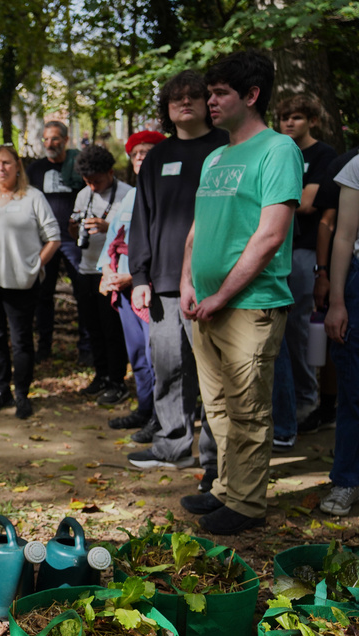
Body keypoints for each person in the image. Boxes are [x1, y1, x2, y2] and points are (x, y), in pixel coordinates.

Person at [178, 50, 303, 535]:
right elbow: (197, 229)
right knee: (219, 410)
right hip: (206, 306)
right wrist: (188, 282)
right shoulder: (216, 155)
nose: (209, 101)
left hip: (249, 305)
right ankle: (226, 490)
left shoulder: (278, 150)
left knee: (248, 409)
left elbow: (271, 235)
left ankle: (248, 506)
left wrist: (223, 295)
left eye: (220, 93)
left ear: (251, 96)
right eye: (209, 93)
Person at [128, 70, 227, 477]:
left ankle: (215, 456)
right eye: (176, 99)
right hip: (164, 283)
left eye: (193, 96)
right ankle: (172, 445)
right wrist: (139, 278)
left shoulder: (227, 148)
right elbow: (141, 219)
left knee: (215, 375)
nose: (185, 103)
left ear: (208, 103)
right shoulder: (157, 157)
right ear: (168, 110)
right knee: (168, 367)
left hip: (215, 282)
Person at [0, 144, 61, 419]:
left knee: (20, 340)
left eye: (7, 163)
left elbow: (53, 238)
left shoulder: (32, 197)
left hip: (20, 282)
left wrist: (34, 266)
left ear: (17, 166)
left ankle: (21, 393)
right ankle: (1, 391)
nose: (1, 168)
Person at [269, 94, 339, 450]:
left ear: (311, 119)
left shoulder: (323, 155)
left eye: (296, 117)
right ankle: (291, 402)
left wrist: (271, 200)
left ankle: (308, 402)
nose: (288, 123)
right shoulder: (278, 151)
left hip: (306, 252)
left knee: (300, 328)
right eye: (283, 117)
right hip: (279, 251)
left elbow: (308, 203)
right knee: (282, 329)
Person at [97, 131, 166, 443]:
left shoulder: (167, 195)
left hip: (152, 290)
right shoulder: (129, 197)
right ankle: (144, 407)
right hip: (124, 292)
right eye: (136, 153)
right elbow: (113, 238)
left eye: (148, 152)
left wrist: (136, 278)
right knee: (137, 354)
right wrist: (107, 273)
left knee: (159, 356)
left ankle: (163, 418)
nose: (140, 157)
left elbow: (167, 247)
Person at [71, 145, 133, 405]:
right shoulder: (83, 195)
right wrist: (75, 227)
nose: (93, 186)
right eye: (88, 182)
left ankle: (117, 380)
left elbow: (133, 234)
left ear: (110, 173)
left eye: (97, 181)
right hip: (86, 267)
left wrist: (108, 226)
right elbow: (73, 234)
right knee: (92, 326)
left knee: (112, 329)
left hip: (112, 272)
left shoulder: (128, 195)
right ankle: (101, 375)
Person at [25, 121, 91, 364]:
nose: (50, 144)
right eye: (46, 139)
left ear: (65, 140)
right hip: (45, 241)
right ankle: (44, 347)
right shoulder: (35, 170)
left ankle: (86, 347)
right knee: (43, 295)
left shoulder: (78, 166)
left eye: (54, 139)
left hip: (73, 240)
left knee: (83, 294)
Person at [321, 152, 359, 516]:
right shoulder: (357, 166)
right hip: (357, 287)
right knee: (354, 389)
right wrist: (337, 301)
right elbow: (344, 237)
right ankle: (347, 479)